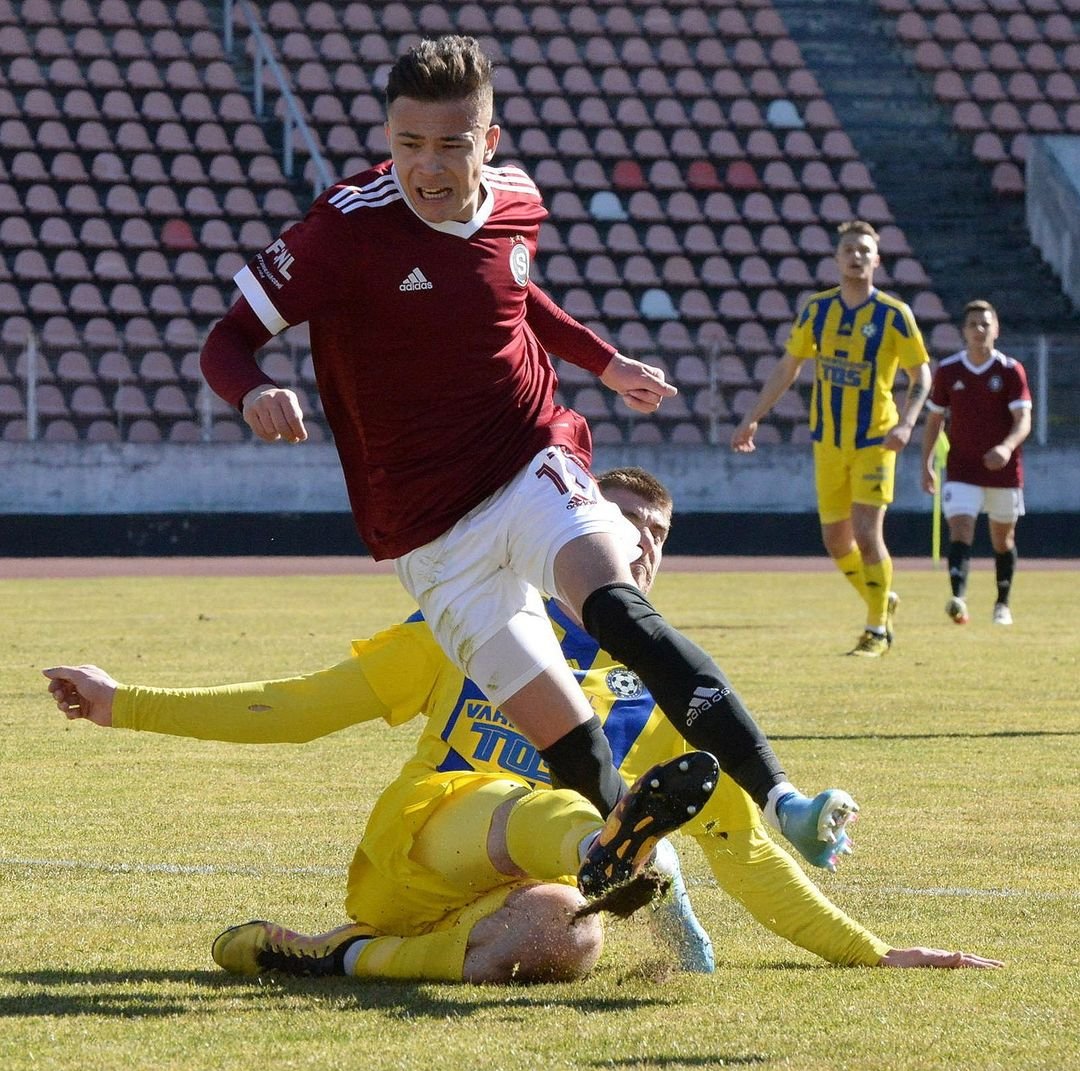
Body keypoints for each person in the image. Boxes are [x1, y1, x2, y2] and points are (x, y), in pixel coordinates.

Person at [198, 35, 857, 868]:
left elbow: (513, 292)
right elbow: (226, 340)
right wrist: (251, 389)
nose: (427, 167)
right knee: (568, 735)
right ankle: (631, 855)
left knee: (617, 609)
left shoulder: (517, 201)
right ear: (387, 138)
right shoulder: (345, 230)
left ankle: (786, 801)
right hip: (428, 531)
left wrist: (603, 363)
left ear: (490, 142)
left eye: (450, 144)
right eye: (407, 144)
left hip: (528, 456)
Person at [44, 468, 1001, 982]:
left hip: (487, 902)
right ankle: (617, 842)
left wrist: (869, 952)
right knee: (565, 822)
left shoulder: (656, 693)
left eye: (656, 539)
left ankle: (330, 954)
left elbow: (745, 853)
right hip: (422, 842)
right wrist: (125, 703)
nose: (637, 547)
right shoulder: (474, 625)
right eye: (619, 525)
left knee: (566, 943)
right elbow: (300, 707)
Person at [731, 221, 932, 658]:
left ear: (876, 260)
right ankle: (882, 599)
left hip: (875, 439)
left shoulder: (894, 315)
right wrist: (753, 416)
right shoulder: (817, 310)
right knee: (835, 541)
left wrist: (907, 423)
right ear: (837, 258)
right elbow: (789, 367)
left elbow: (922, 375)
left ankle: (877, 628)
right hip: (828, 441)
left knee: (865, 530)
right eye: (849, 249)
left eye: (865, 250)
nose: (856, 256)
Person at [920, 300, 1032, 626]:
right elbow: (934, 421)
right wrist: (925, 463)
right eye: (973, 324)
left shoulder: (1010, 371)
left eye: (985, 324)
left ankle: (1002, 604)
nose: (979, 330)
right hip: (962, 468)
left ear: (996, 329)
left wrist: (1007, 447)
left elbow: (1023, 419)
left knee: (1003, 539)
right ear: (963, 331)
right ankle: (959, 599)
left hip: (1003, 470)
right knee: (961, 528)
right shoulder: (949, 371)